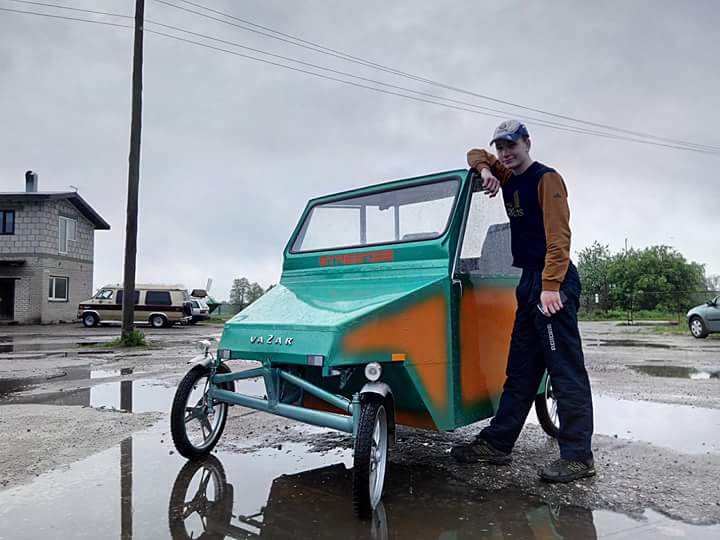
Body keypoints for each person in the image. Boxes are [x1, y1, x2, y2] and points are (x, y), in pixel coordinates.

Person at [451, 120, 595, 483]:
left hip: (552, 283)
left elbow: (559, 237)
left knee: (564, 371)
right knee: (520, 370)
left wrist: (551, 286)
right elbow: (473, 154)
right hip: (529, 280)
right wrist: (486, 171)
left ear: (527, 143)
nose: (505, 153)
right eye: (500, 148)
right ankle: (497, 444)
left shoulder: (547, 179)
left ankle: (579, 457)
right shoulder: (506, 175)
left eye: (511, 145)